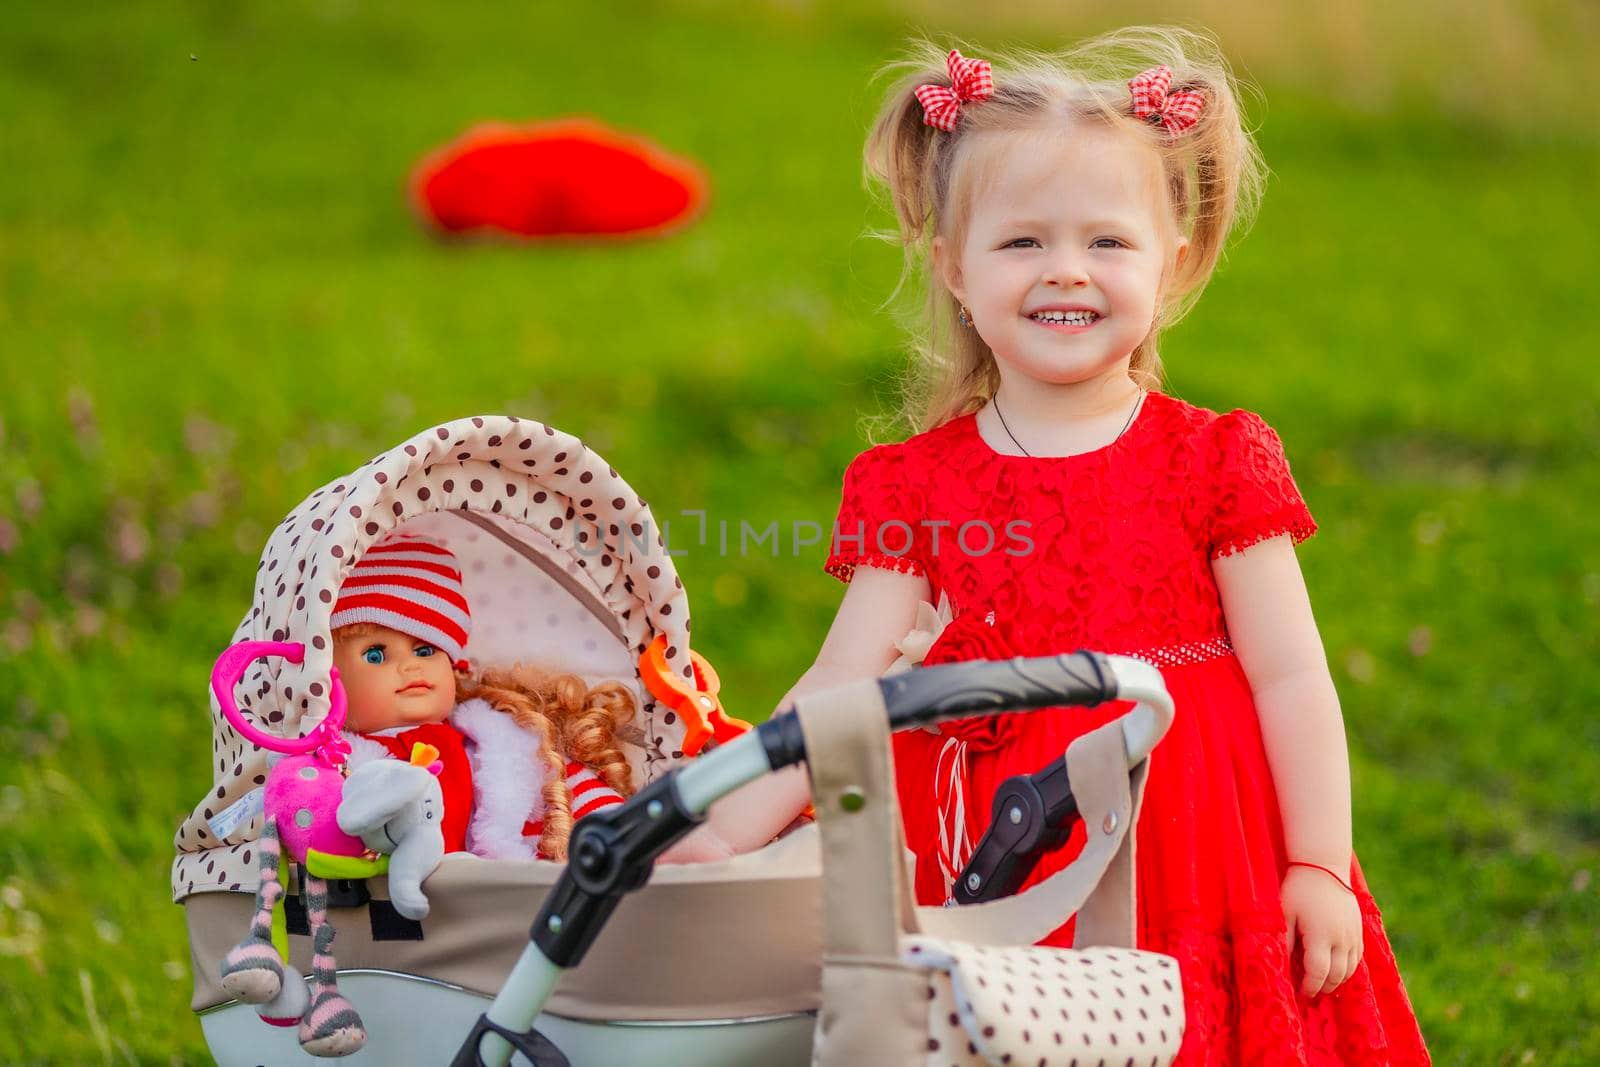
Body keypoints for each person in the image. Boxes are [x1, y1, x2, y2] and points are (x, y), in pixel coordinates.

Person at [667, 28, 1430, 1064]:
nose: (1064, 271)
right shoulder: (917, 482)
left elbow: (1291, 675)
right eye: (1022, 242)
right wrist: (725, 823)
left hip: (1199, 840)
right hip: (999, 853)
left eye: (1106, 243)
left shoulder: (1213, 459)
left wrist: (1318, 864)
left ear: (1172, 261)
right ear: (954, 268)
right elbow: (840, 681)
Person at [329, 531, 633, 864]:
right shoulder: (337, 768)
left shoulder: (496, 748)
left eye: (426, 649)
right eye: (376, 655)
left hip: (494, 898)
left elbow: (567, 794)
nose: (410, 666)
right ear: (327, 681)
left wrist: (623, 831)